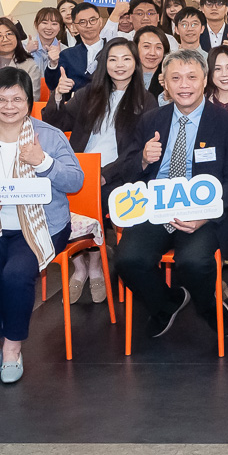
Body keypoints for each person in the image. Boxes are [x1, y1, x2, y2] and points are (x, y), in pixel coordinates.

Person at [0, 68, 82, 388]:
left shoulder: (49, 136)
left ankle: (12, 350)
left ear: (29, 102)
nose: (9, 106)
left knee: (16, 274)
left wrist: (43, 162)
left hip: (40, 225)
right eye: (1, 99)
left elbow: (75, 181)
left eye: (17, 99)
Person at [114, 50, 228, 344]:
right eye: (175, 78)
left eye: (192, 77)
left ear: (205, 80)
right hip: (155, 209)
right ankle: (168, 302)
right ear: (165, 83)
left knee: (192, 262)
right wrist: (143, 159)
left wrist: (207, 212)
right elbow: (126, 172)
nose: (184, 85)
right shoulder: (150, 120)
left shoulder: (227, 124)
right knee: (127, 259)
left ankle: (208, 307)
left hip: (203, 213)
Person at [42, 37, 154, 302]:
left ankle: (95, 265)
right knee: (54, 198)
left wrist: (104, 174)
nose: (119, 65)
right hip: (81, 167)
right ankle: (80, 266)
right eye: (113, 59)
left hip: (118, 173)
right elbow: (57, 123)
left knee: (95, 201)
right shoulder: (89, 93)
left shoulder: (146, 100)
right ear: (104, 63)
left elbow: (136, 150)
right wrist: (56, 96)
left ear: (135, 63)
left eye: (126, 59)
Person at [57, 3, 110, 90]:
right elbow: (54, 85)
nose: (88, 25)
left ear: (100, 21)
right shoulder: (67, 55)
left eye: (92, 20)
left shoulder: (113, 50)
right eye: (82, 22)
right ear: (74, 26)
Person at [27, 7, 69, 74]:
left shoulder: (66, 51)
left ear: (60, 27)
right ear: (36, 24)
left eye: (54, 24)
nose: (49, 27)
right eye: (44, 23)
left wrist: (57, 61)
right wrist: (27, 53)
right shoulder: (23, 46)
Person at [131, 26, 170, 96]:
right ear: (135, 48)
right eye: (146, 46)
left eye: (158, 47)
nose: (152, 53)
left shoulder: (169, 76)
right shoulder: (126, 75)